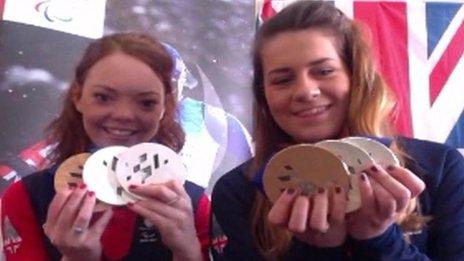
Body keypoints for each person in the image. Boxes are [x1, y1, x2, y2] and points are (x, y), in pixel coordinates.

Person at [211, 1, 464, 260]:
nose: (306, 91)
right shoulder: (239, 190)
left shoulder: (441, 168)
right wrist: (319, 250)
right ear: (263, 96)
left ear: (356, 78)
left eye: (324, 71)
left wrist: (377, 240)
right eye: (283, 80)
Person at [1, 33, 210, 261]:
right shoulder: (28, 197)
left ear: (165, 107)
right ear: (78, 97)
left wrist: (187, 252)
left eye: (146, 102)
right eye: (103, 97)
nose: (123, 115)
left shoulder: (192, 203)